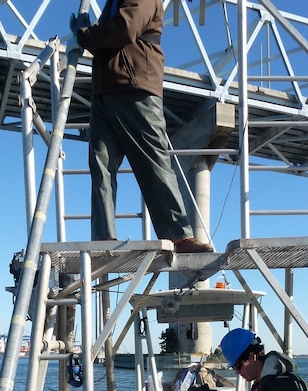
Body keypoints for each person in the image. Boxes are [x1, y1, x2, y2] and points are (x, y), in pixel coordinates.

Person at [69, 0, 214, 253]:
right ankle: (103, 237)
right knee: (100, 165)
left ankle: (179, 236)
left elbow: (126, 28)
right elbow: (110, 39)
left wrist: (83, 35)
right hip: (104, 90)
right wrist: (90, 34)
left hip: (135, 85)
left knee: (153, 161)